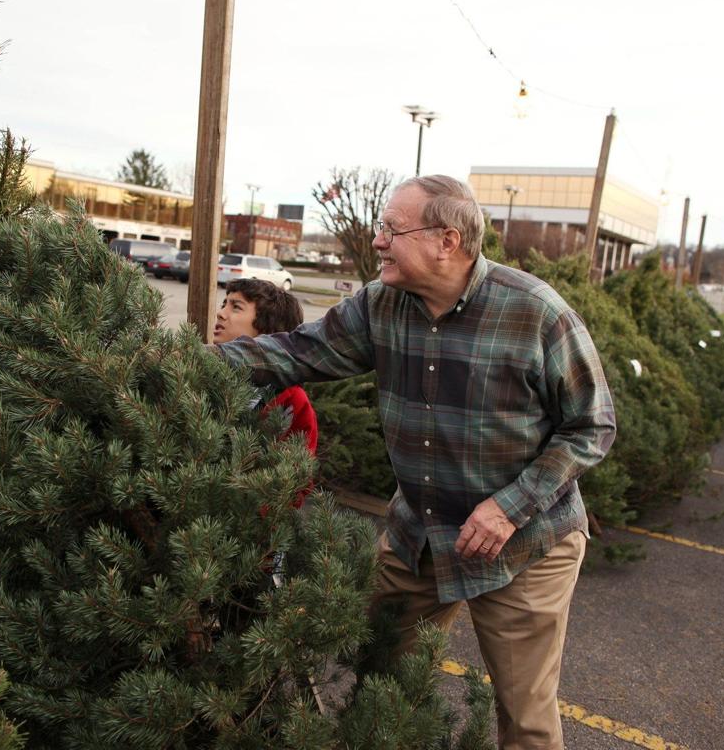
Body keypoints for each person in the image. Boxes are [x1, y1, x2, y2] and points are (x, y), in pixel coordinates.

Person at [214, 175, 615, 750]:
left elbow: (592, 425)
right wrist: (192, 361)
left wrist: (508, 508)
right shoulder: (380, 305)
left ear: (446, 241)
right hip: (419, 536)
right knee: (378, 682)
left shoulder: (535, 312)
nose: (377, 240)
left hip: (523, 544)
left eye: (390, 229)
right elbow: (296, 350)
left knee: (525, 720)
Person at [212, 278, 319, 506]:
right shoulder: (203, 376)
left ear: (268, 330)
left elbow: (295, 482)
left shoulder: (292, 402)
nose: (221, 313)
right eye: (224, 304)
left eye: (236, 307)